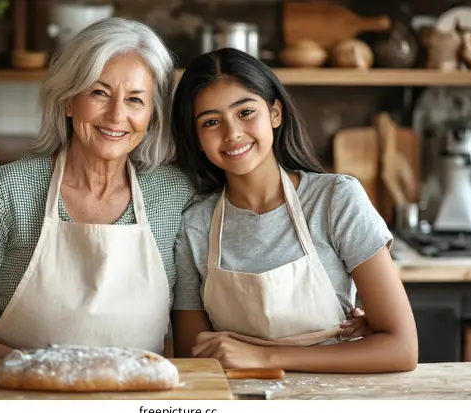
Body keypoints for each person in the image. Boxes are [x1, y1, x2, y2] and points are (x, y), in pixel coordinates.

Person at [0, 17, 195, 360]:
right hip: (25, 399)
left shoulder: (174, 194)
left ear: (152, 115)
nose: (115, 115)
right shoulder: (8, 191)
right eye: (99, 93)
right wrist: (19, 366)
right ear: (68, 101)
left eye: (135, 100)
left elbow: (191, 317)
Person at [169, 48, 418, 373]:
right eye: (211, 122)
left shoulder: (335, 200)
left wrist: (264, 357)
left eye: (245, 112)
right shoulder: (195, 225)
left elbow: (401, 348)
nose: (232, 133)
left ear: (275, 113)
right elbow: (195, 358)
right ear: (197, 139)